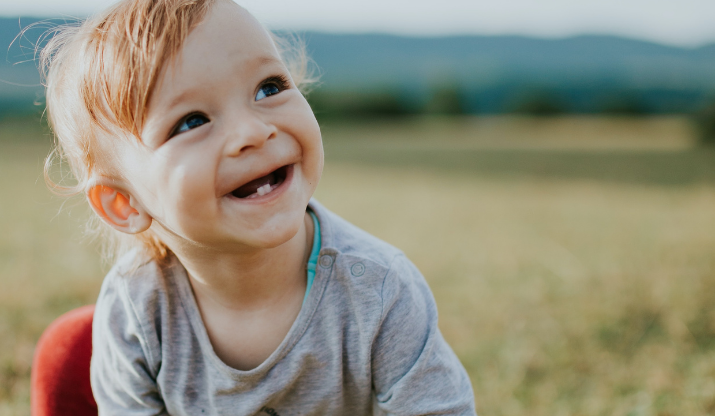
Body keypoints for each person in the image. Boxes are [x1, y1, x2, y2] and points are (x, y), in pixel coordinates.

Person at [39, 0, 476, 414]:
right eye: (192, 120)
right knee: (71, 346)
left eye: (269, 88)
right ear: (124, 203)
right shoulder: (137, 306)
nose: (254, 130)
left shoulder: (379, 292)